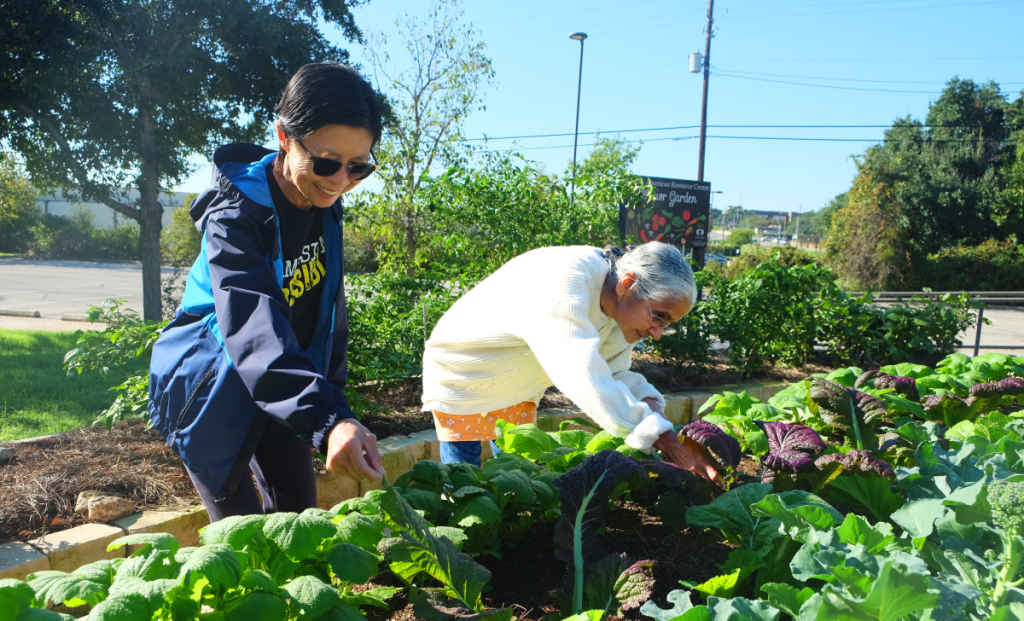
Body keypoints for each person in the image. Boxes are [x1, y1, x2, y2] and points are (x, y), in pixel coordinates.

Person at [148, 63, 385, 522]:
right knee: (242, 545)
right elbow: (254, 327)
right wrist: (325, 419)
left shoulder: (325, 207)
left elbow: (326, 314)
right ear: (284, 136)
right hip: (212, 388)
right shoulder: (234, 218)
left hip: (282, 384)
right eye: (326, 162)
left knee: (297, 525)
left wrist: (335, 408)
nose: (339, 181)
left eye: (359, 167)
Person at [421, 242, 723, 485]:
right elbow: (586, 377)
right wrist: (667, 442)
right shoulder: (564, 284)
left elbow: (615, 372)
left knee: (516, 474)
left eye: (667, 324)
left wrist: (656, 413)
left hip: (517, 378)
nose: (657, 333)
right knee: (463, 481)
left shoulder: (619, 307)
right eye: (659, 316)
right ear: (628, 284)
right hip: (465, 371)